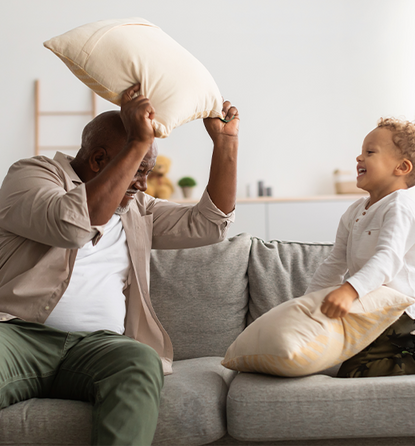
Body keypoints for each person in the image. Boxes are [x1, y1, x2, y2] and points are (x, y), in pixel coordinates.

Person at [0, 84, 239, 445]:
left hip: (101, 347)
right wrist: (137, 142)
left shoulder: (136, 207)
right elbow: (73, 223)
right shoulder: (32, 176)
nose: (144, 184)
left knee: (140, 361)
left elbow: (209, 224)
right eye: (139, 169)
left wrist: (225, 144)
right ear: (98, 161)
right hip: (19, 336)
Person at [304, 117, 415, 377]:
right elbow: (335, 262)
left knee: (354, 373)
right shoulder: (355, 210)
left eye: (370, 152)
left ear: (401, 167)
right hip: (374, 306)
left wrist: (349, 290)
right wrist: (308, 303)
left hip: (404, 311)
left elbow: (387, 259)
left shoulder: (400, 208)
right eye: (361, 150)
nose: (359, 157)